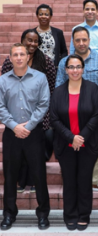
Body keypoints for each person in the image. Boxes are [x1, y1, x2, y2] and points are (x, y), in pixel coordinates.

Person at [0, 43, 50, 230]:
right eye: (16, 55)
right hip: (12, 134)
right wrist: (14, 126)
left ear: (28, 57)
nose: (19, 57)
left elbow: (44, 104)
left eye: (22, 54)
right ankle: (9, 214)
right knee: (10, 176)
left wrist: (28, 126)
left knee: (39, 175)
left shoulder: (40, 78)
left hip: (34, 133)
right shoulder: (3, 81)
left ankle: (43, 214)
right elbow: (0, 107)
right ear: (10, 58)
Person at [56, 26, 98, 193]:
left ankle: (97, 180)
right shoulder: (64, 62)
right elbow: (59, 86)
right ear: (73, 41)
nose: (81, 43)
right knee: (71, 145)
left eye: (84, 40)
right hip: (70, 111)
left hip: (96, 112)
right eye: (77, 40)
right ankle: (75, 178)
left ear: (89, 40)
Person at [50, 54, 98, 231]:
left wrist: (82, 136)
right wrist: (71, 137)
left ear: (83, 68)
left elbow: (96, 114)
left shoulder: (92, 88)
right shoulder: (58, 92)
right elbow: (54, 119)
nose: (75, 70)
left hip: (88, 144)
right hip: (66, 145)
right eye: (71, 67)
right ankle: (70, 215)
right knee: (70, 181)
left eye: (78, 66)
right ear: (65, 70)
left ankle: (84, 215)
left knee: (84, 181)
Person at [1, 28, 56, 193]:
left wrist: (30, 124)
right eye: (28, 40)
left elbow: (47, 95)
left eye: (35, 41)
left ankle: (41, 211)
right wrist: (14, 125)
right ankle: (11, 209)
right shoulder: (5, 75)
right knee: (12, 169)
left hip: (38, 120)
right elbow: (2, 102)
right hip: (13, 125)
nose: (32, 43)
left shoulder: (44, 64)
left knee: (37, 165)